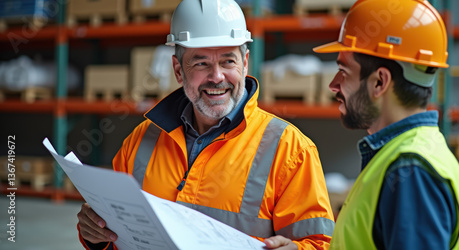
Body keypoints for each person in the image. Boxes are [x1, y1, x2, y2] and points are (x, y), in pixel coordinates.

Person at [76, 0, 335, 249]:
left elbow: (320, 244)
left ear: (244, 64)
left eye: (228, 61)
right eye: (201, 63)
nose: (217, 77)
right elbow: (117, 236)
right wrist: (96, 237)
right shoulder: (140, 142)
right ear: (178, 70)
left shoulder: (290, 150)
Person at [313, 0, 459, 249]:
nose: (333, 85)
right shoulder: (414, 153)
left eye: (344, 72)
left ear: (380, 82)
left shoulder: (411, 172)